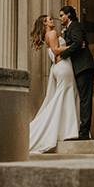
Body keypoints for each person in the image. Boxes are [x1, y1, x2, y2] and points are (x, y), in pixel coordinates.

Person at [28, 14, 80, 154]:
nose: (53, 20)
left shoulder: (48, 35)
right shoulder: (52, 33)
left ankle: (66, 130)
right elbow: (56, 50)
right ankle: (67, 130)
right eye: (49, 19)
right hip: (63, 66)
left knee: (65, 96)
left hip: (60, 67)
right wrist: (74, 46)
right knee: (64, 96)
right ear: (45, 24)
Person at [56, 6, 94, 140]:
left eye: (62, 15)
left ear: (69, 15)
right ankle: (81, 129)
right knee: (82, 98)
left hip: (84, 67)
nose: (60, 18)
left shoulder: (76, 26)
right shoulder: (69, 29)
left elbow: (79, 42)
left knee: (85, 99)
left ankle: (84, 131)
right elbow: (78, 43)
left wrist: (63, 55)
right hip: (79, 67)